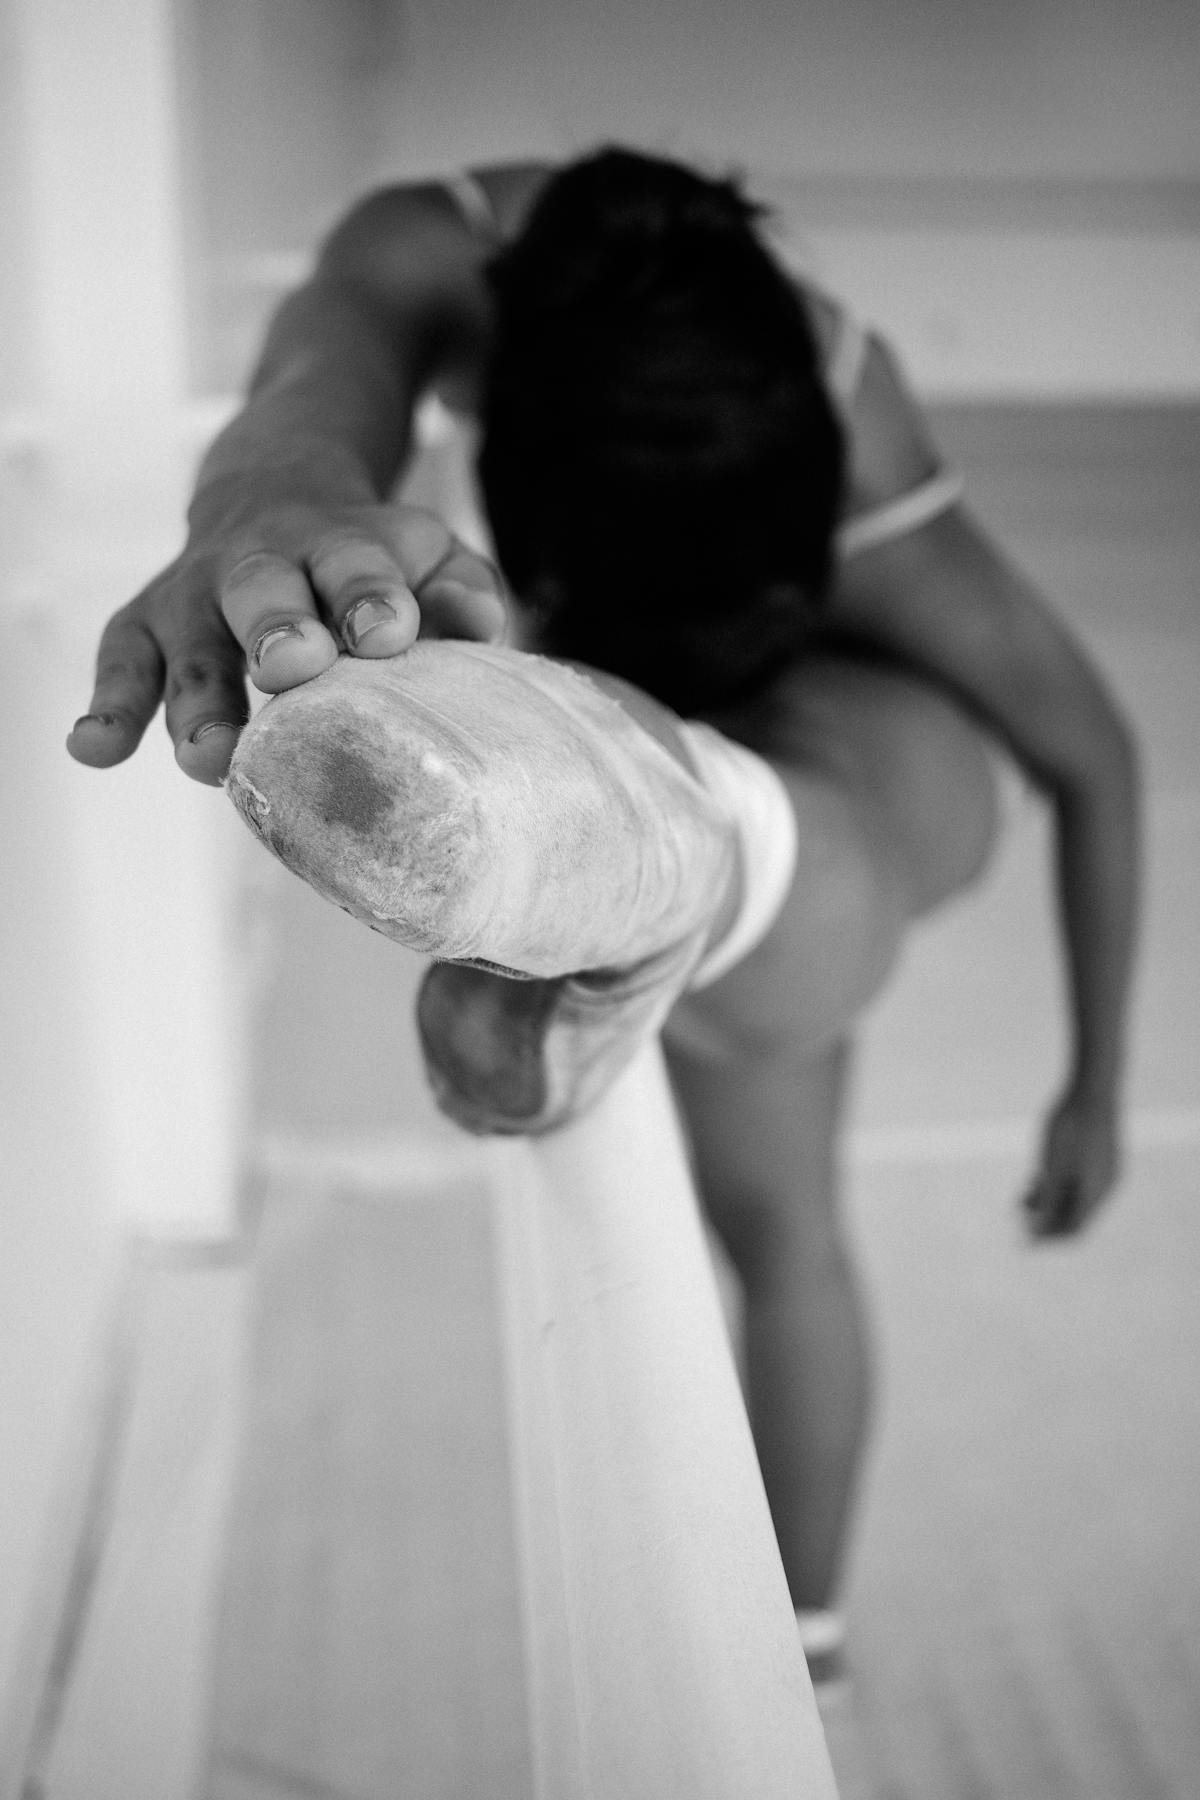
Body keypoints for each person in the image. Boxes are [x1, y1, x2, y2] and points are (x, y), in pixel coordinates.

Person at [67, 145, 1141, 1686]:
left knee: (871, 810)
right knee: (783, 1229)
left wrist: (1096, 1081)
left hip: (826, 770)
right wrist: (270, 498)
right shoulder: (427, 256)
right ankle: (809, 1669)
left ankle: (693, 838)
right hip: (637, 744)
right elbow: (321, 378)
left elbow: (1092, 754)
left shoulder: (859, 433)